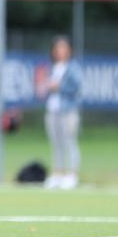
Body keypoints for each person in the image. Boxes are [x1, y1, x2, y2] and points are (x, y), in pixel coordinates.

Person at [40, 36, 82, 190]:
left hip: (68, 110)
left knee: (69, 141)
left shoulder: (73, 68)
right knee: (56, 143)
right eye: (57, 48)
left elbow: (76, 87)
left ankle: (72, 174)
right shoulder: (52, 67)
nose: (60, 51)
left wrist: (59, 86)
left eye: (64, 47)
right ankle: (58, 173)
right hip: (53, 110)